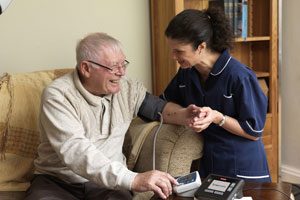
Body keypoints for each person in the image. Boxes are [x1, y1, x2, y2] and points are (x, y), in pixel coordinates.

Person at [24, 32, 202, 200]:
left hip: (108, 186)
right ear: (86, 68)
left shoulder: (127, 88)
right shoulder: (58, 95)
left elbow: (157, 108)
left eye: (123, 64)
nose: (121, 72)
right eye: (113, 67)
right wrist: (133, 179)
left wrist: (184, 115)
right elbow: (75, 151)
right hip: (57, 181)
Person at [160, 7, 271, 183]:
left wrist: (217, 117)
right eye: (172, 50)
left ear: (201, 46)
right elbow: (164, 104)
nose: (173, 56)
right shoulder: (186, 74)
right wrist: (185, 114)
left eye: (179, 51)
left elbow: (254, 131)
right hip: (209, 164)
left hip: (243, 167)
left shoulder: (239, 76)